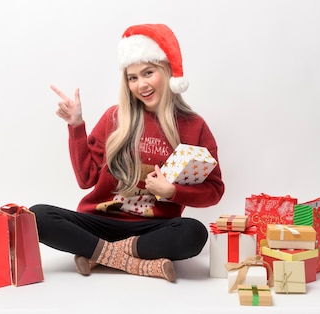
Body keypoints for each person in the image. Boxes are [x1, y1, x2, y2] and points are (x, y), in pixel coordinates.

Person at [30, 23, 225, 282]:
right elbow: (86, 180)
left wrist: (172, 192)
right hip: (99, 223)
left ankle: (97, 254)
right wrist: (76, 126)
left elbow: (214, 191)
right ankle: (136, 262)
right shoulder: (115, 117)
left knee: (194, 233)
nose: (140, 84)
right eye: (132, 78)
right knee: (36, 216)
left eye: (148, 73)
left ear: (167, 72)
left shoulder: (194, 126)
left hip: (151, 229)